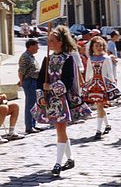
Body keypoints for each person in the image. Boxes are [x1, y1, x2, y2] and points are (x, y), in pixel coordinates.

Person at [34, 25, 91, 176]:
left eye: (52, 40)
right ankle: (70, 159)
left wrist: (51, 86)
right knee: (61, 130)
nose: (50, 43)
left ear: (60, 42)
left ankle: (58, 163)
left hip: (63, 101)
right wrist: (41, 95)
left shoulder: (68, 59)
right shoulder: (48, 58)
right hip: (49, 100)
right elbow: (40, 80)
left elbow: (68, 80)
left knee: (60, 129)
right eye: (49, 41)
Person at [83, 36, 121, 140]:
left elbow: (110, 73)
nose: (99, 47)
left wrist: (113, 84)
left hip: (103, 85)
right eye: (96, 46)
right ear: (92, 47)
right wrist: (87, 84)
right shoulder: (90, 59)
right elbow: (88, 72)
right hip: (94, 85)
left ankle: (98, 130)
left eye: (100, 45)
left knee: (100, 106)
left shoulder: (106, 58)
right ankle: (107, 125)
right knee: (100, 106)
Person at [18, 39, 41, 134]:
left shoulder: (31, 56)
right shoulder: (25, 57)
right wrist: (22, 82)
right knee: (30, 104)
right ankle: (29, 127)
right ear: (31, 46)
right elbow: (21, 71)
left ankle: (33, 124)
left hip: (33, 81)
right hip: (29, 81)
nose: (38, 48)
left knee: (34, 104)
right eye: (36, 46)